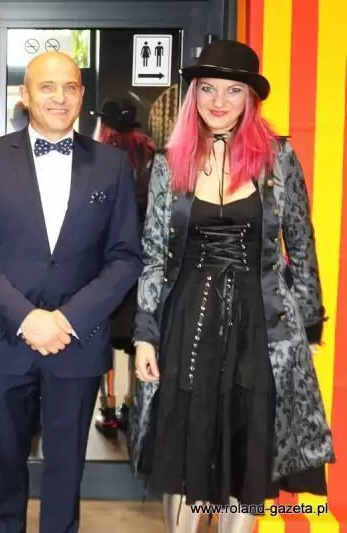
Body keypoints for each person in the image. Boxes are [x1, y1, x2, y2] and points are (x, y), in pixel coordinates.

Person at [129, 40, 334, 533]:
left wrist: (305, 328)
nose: (218, 101)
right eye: (208, 89)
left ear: (250, 99)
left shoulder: (278, 158)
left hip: (259, 324)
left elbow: (301, 244)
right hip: (186, 324)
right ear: (194, 94)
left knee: (249, 447)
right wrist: (145, 334)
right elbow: (154, 255)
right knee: (184, 445)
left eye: (233, 90)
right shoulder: (168, 162)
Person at [0, 51, 142, 532]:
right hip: (2, 340)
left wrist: (67, 320)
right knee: (5, 467)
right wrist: (26, 318)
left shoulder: (112, 165)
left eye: (70, 87)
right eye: (47, 86)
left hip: (77, 342)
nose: (60, 97)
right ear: (25, 95)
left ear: (82, 95)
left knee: (66, 470)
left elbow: (125, 257)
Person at [88, 98, 157, 437]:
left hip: (106, 260)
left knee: (104, 339)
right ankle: (130, 406)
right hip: (144, 259)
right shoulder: (153, 155)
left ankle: (108, 409)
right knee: (136, 341)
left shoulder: (98, 157)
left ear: (105, 124)